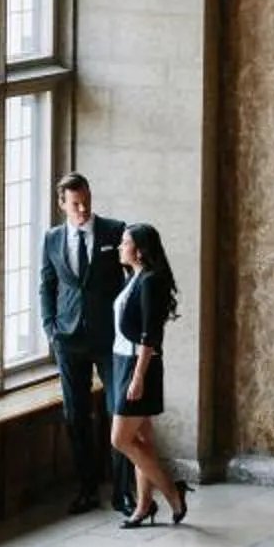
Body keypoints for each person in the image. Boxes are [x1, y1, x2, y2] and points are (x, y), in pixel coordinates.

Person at [37, 173, 129, 515]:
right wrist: (50, 328)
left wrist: (128, 327)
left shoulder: (114, 231)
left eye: (86, 201)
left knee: (118, 412)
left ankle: (123, 492)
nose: (83, 208)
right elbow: (46, 285)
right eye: (75, 203)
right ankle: (88, 490)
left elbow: (130, 279)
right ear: (62, 204)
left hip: (108, 338)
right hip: (68, 340)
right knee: (76, 416)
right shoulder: (52, 239)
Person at [109, 224, 189, 527]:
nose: (120, 247)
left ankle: (172, 493)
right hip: (122, 361)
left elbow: (149, 335)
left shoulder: (151, 281)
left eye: (125, 242)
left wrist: (138, 377)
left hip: (138, 365)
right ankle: (144, 506)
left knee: (120, 439)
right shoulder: (135, 278)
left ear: (139, 250)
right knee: (142, 438)